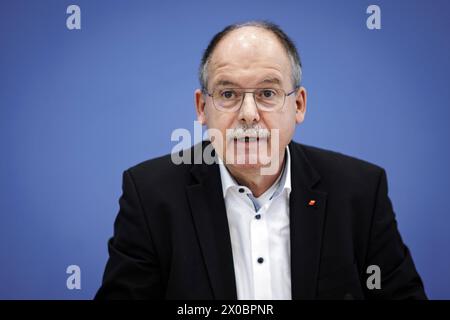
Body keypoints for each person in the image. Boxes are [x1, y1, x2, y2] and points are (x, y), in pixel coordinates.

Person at [95, 21, 426, 300]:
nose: (249, 115)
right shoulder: (151, 195)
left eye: (267, 94)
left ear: (298, 105)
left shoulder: (360, 192)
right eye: (228, 95)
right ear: (201, 108)